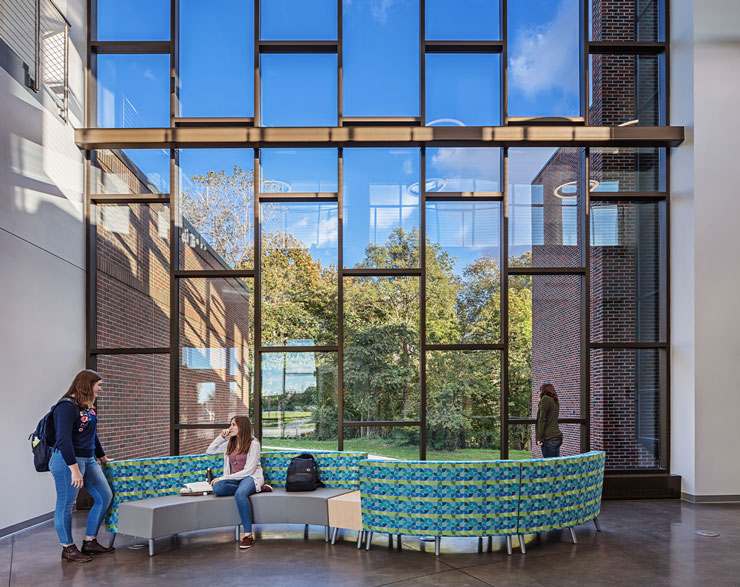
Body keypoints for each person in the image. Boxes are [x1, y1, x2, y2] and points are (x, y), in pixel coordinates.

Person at [49, 369, 114, 563]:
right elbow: (63, 440)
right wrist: (74, 469)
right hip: (66, 460)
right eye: (98, 385)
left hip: (88, 459)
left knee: (104, 496)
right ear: (88, 385)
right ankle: (67, 547)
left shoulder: (86, 406)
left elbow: (92, 434)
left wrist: (102, 457)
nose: (100, 389)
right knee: (66, 504)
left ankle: (90, 541)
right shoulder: (66, 406)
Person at [207, 415, 265, 550]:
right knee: (218, 489)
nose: (230, 427)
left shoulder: (253, 444)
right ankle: (257, 489)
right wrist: (221, 437)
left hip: (250, 477)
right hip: (235, 479)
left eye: (233, 425)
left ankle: (248, 535)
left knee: (240, 494)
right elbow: (210, 451)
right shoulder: (230, 443)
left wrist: (222, 478)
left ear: (242, 427)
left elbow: (248, 471)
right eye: (230, 424)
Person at [535, 383, 563, 458]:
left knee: (550, 466)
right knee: (555, 464)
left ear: (543, 391)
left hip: (549, 438)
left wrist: (539, 438)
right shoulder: (554, 401)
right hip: (556, 437)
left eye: (539, 391)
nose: (539, 393)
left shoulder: (545, 399)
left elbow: (542, 419)